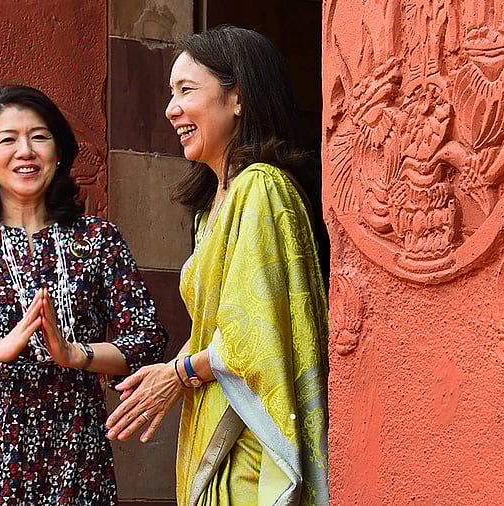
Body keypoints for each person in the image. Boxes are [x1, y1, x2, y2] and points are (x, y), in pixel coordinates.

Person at [0, 85, 167, 505]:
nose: (26, 151)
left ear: (58, 152)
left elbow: (147, 342)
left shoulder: (98, 240)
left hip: (72, 461)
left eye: (39, 136)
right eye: (8, 139)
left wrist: (77, 355)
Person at [105, 26, 329, 505]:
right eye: (171, 93)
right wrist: (173, 368)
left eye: (187, 90)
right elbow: (218, 326)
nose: (171, 109)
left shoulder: (261, 188)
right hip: (216, 418)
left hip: (249, 442)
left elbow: (257, 335)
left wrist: (181, 373)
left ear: (238, 99)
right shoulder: (213, 209)